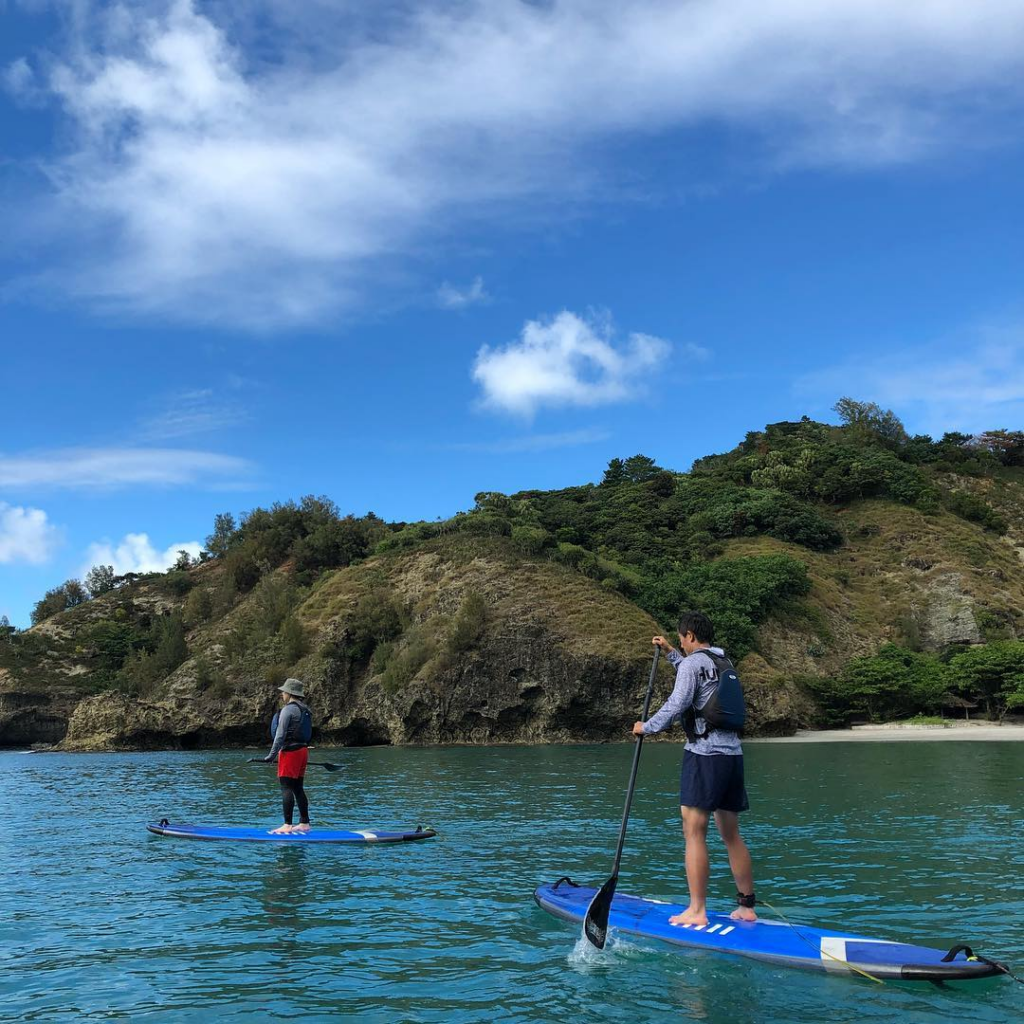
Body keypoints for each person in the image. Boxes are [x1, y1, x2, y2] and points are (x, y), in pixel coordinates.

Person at [632, 611, 757, 927]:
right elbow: (700, 683)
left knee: (693, 829)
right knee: (731, 834)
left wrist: (647, 727)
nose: (681, 645)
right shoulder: (722, 662)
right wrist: (672, 653)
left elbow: (678, 703)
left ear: (689, 635)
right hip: (732, 756)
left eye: (681, 639)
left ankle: (697, 910)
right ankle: (746, 907)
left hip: (704, 755)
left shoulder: (692, 665)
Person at [262, 678, 313, 835]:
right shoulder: (305, 709)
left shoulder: (288, 710)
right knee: (298, 787)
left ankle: (287, 825)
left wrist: (271, 755)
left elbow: (280, 735)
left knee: (286, 787)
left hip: (290, 752)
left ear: (290, 693)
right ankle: (304, 823)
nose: (282, 694)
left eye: (283, 691)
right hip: (303, 751)